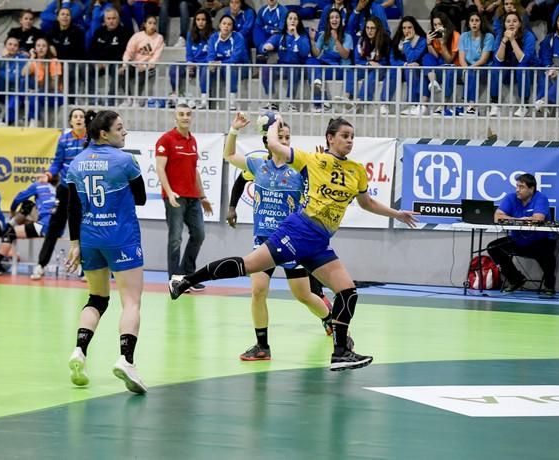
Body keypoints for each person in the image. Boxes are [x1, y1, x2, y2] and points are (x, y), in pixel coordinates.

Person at [169, 116, 419, 371]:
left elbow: (367, 203)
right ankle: (186, 280)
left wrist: (396, 214)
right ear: (330, 138)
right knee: (249, 266)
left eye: (352, 137)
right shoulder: (312, 160)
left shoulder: (356, 171)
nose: (350, 141)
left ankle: (341, 353)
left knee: (347, 291)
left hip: (319, 241)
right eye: (344, 136)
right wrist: (276, 122)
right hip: (298, 232)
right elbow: (275, 146)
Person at [223, 112, 333, 360]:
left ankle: (330, 320)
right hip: (264, 241)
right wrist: (234, 130)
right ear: (269, 140)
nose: (284, 140)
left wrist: (323, 163)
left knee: (304, 295)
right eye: (280, 136)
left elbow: (323, 188)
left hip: (291, 241)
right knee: (258, 291)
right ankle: (262, 346)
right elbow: (229, 155)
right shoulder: (259, 165)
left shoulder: (300, 169)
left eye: (288, 137)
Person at [64, 109, 148, 394]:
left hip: (89, 238)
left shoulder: (76, 162)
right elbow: (141, 199)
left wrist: (75, 243)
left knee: (97, 299)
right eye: (120, 128)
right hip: (121, 237)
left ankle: (79, 351)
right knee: (131, 302)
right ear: (104, 133)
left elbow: (72, 208)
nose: (125, 132)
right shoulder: (125, 161)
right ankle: (127, 360)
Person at [155, 103, 213, 288]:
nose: (185, 117)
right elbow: (160, 168)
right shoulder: (166, 140)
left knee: (199, 234)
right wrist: (169, 192)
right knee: (175, 238)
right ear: (175, 118)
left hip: (193, 197)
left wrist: (203, 197)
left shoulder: (193, 140)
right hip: (175, 197)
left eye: (188, 114)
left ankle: (188, 275)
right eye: (181, 114)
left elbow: (194, 170)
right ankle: (175, 280)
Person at [32, 108, 86, 280]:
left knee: (85, 227)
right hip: (65, 188)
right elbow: (56, 163)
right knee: (55, 226)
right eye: (75, 116)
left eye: (81, 116)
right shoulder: (64, 139)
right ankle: (41, 265)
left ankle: (85, 268)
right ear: (71, 121)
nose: (78, 119)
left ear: (85, 121)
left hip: (84, 190)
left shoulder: (90, 140)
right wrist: (48, 175)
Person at [486, 173, 557, 296]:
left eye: (521, 187)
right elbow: (497, 216)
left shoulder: (541, 198)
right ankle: (516, 279)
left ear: (531, 188)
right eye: (517, 186)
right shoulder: (511, 198)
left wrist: (513, 219)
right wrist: (519, 220)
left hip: (540, 241)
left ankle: (549, 285)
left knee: (548, 256)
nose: (517, 190)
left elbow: (538, 219)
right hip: (517, 240)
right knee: (493, 248)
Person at [0, 174, 63, 276]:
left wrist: (12, 211)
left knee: (9, 234)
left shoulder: (38, 185)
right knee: (28, 205)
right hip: (58, 227)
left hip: (43, 226)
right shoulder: (64, 189)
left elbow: (18, 198)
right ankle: (11, 224)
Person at [119, 14, 165, 107]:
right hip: (134, 64)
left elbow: (156, 57)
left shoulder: (159, 38)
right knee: (122, 73)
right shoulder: (137, 36)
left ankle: (137, 99)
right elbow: (129, 52)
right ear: (145, 24)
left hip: (149, 67)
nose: (152, 26)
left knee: (142, 75)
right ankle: (128, 98)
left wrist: (145, 66)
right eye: (150, 23)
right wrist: (125, 65)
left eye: (154, 23)